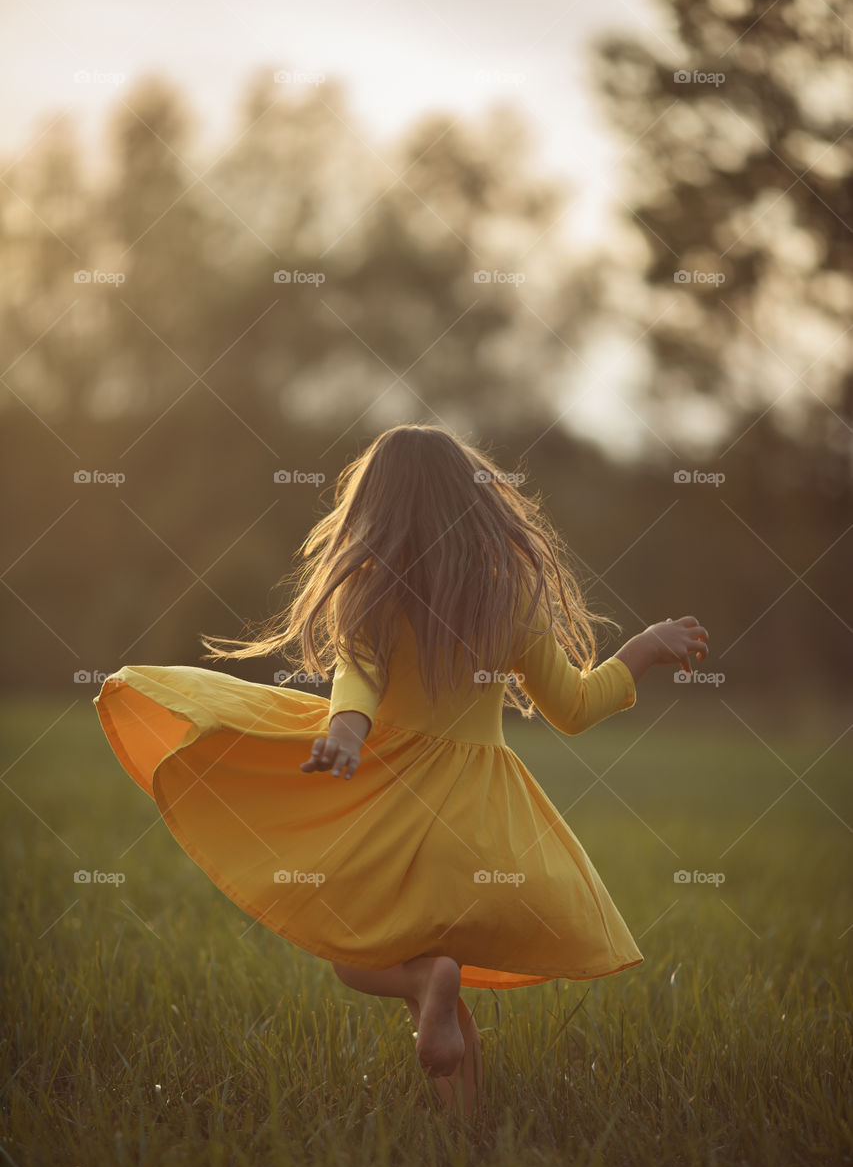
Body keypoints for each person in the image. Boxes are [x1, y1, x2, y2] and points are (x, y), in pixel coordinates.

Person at [93, 424, 709, 1119]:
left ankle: (423, 988)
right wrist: (641, 650)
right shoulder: (508, 602)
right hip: (484, 823)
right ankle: (464, 1132)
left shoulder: (377, 601)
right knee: (437, 980)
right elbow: (571, 707)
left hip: (398, 808)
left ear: (373, 512)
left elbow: (356, 683)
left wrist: (347, 736)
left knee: (353, 956)